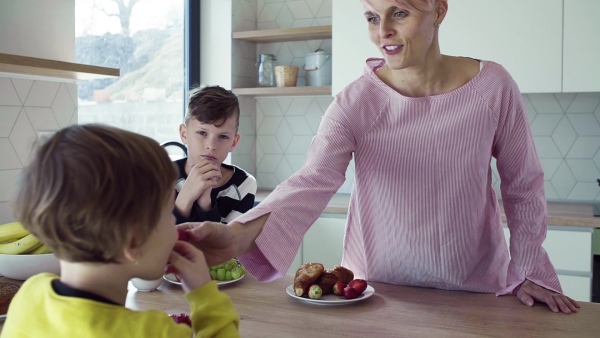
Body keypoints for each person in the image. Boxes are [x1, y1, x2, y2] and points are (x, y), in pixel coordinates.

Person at [178, 0, 579, 314]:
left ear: (439, 9)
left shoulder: (492, 87)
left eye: (399, 13)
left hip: (474, 289)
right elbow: (312, 181)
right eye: (372, 17)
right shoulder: (355, 102)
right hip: (376, 293)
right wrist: (237, 234)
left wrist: (526, 268)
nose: (383, 31)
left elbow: (524, 185)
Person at [3, 124, 240, 337]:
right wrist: (203, 295)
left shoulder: (29, 296)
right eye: (168, 213)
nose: (173, 221)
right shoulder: (152, 333)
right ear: (133, 242)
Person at [173, 85, 257, 225]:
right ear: (184, 134)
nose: (211, 145)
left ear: (233, 143)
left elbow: (223, 244)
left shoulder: (244, 184)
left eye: (223, 137)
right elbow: (156, 240)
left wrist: (206, 203)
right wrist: (185, 198)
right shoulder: (160, 177)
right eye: (202, 133)